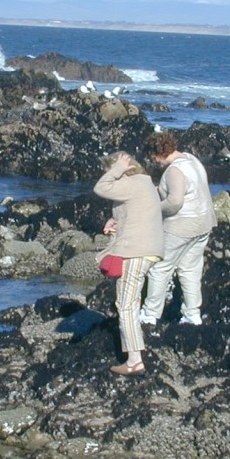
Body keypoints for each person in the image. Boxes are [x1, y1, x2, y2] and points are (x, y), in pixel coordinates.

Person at [93, 151, 164, 375]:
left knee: (126, 306)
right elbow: (137, 217)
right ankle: (134, 358)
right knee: (130, 303)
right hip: (147, 251)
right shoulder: (144, 185)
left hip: (135, 253)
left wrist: (117, 169)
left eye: (109, 170)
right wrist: (115, 223)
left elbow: (101, 188)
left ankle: (135, 361)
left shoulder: (131, 183)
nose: (108, 175)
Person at [139, 132, 216, 326]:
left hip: (182, 226)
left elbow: (175, 202)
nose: (153, 161)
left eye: (152, 157)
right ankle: (192, 313)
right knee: (190, 269)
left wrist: (153, 209)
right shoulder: (191, 159)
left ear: (157, 153)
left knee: (159, 268)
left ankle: (150, 314)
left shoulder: (174, 171)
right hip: (204, 222)